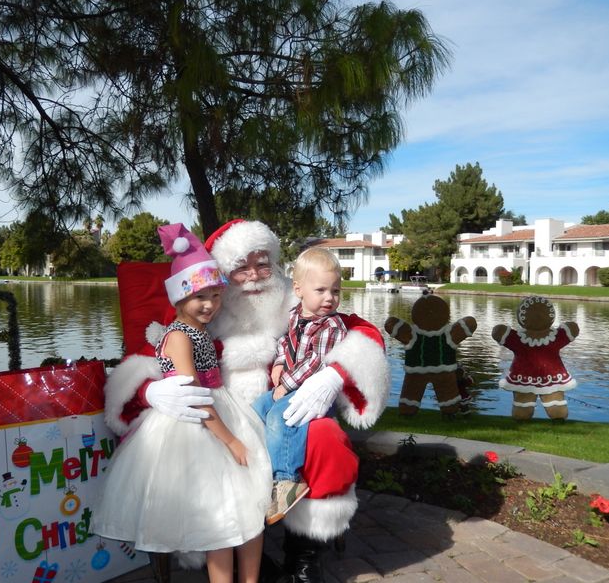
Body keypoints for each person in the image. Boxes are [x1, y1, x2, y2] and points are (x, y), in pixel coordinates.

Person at [104, 219, 390, 583]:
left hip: (288, 408)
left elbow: (361, 332)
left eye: (262, 262)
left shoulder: (298, 298)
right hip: (225, 417)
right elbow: (150, 356)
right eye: (240, 266)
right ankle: (227, 551)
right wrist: (150, 390)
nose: (253, 275)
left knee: (322, 436)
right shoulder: (204, 307)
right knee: (209, 460)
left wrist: (334, 375)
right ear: (222, 273)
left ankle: (303, 553)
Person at [94, 223, 271, 583]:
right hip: (198, 422)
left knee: (250, 505)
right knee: (221, 517)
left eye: (215, 296)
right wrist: (232, 440)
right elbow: (195, 396)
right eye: (199, 297)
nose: (209, 305)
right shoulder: (178, 336)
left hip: (223, 408)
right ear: (178, 298)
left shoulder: (202, 331)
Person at [252, 248, 347, 525]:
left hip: (310, 392)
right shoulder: (295, 315)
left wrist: (285, 383)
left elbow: (316, 362)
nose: (330, 298)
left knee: (281, 418)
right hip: (289, 382)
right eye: (321, 290)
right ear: (299, 289)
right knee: (256, 409)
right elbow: (285, 342)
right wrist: (280, 362)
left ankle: (286, 480)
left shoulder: (332, 326)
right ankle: (259, 469)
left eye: (336, 291)